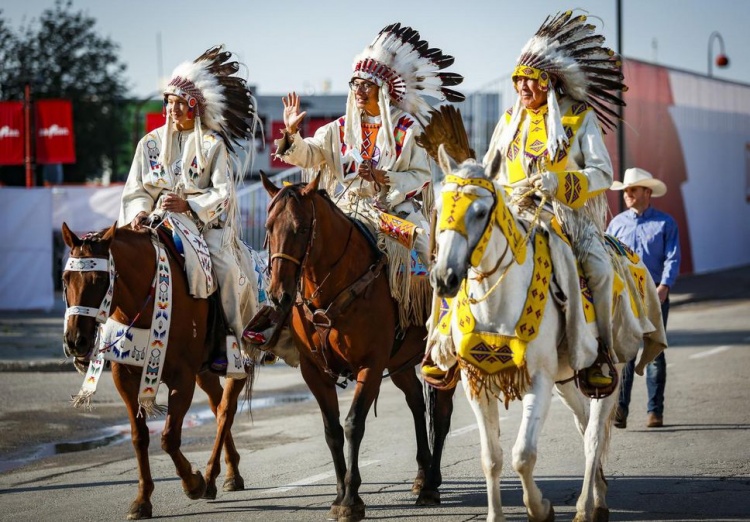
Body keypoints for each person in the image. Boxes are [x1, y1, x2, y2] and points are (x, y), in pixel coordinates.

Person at [266, 23, 464, 327]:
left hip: (390, 213)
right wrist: (291, 132)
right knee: (296, 246)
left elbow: (422, 175)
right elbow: (308, 154)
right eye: (355, 83)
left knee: (425, 246)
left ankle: (441, 323)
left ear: (382, 90)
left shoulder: (407, 130)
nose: (358, 90)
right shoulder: (336, 130)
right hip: (342, 209)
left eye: (366, 85)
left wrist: (384, 179)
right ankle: (281, 326)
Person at [483, 10, 628, 391]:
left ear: (548, 81)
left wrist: (558, 182)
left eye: (529, 81)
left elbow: (603, 174)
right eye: (518, 81)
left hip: (567, 217)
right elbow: (491, 168)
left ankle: (600, 353)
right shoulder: (508, 120)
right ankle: (444, 346)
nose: (522, 88)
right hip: (512, 214)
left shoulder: (579, 117)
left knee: (598, 268)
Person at [119, 45, 262, 367]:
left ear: (194, 107)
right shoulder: (149, 144)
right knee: (113, 260)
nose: (171, 109)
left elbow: (224, 193)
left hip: (203, 228)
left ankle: (231, 344)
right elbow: (135, 189)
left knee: (227, 271)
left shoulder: (213, 146)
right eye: (168, 102)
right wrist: (139, 213)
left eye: (178, 103)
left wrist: (187, 204)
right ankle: (108, 337)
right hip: (151, 223)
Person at [608, 167, 681, 428]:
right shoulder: (616, 224)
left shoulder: (665, 223)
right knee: (624, 353)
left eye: (632, 190)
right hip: (625, 299)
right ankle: (620, 411)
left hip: (654, 298)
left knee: (655, 353)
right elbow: (607, 260)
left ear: (647, 192)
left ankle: (655, 411)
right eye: (626, 190)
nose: (627, 194)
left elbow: (672, 258)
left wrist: (664, 286)